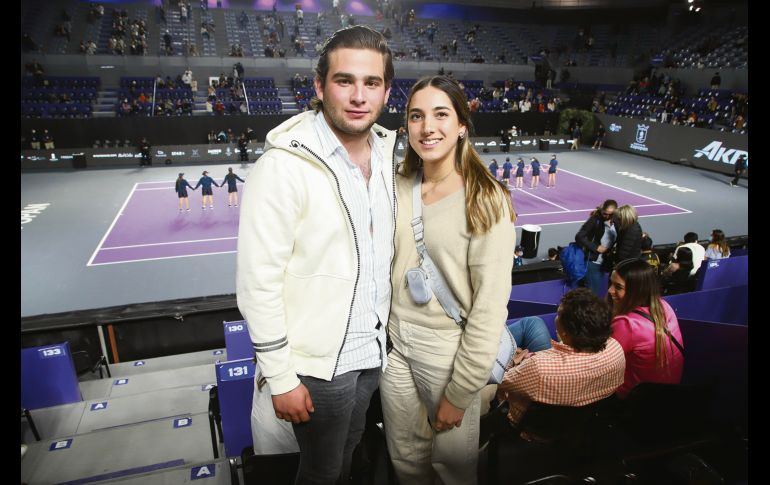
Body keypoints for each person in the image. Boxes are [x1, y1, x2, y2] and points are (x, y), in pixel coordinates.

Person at [236, 26, 397, 484]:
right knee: (322, 471)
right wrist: (281, 377)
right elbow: (257, 282)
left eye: (372, 83)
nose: (358, 96)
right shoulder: (282, 166)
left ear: (386, 90)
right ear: (319, 85)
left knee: (349, 451)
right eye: (344, 81)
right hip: (319, 367)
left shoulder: (388, 152)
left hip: (372, 349)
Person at [380, 75, 516, 485]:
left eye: (441, 114)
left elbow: (490, 310)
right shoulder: (399, 186)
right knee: (405, 459)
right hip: (395, 343)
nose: (428, 127)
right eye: (417, 116)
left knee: (454, 468)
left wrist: (459, 393)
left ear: (461, 125)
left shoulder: (486, 199)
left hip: (448, 352)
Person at [497, 288, 625, 427]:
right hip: (583, 421)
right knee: (533, 323)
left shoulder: (538, 368)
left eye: (558, 314)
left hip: (535, 426)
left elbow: (499, 381)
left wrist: (515, 363)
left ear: (564, 334)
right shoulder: (616, 349)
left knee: (529, 325)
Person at [608, 259, 684, 399]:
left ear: (636, 290)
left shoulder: (627, 324)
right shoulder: (664, 306)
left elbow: (600, 363)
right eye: (611, 284)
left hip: (635, 402)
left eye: (618, 287)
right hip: (668, 397)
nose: (610, 290)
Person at [576, 199, 617, 296]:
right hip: (593, 263)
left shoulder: (616, 222)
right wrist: (596, 247)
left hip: (606, 264)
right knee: (592, 295)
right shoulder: (595, 220)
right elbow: (579, 236)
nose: (606, 216)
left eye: (610, 214)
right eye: (604, 213)